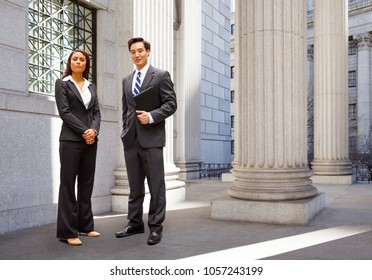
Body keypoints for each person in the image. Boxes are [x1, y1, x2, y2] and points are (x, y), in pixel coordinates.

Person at [115, 37, 177, 245]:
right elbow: (126, 110)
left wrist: (151, 116)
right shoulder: (126, 80)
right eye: (133, 51)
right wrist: (125, 130)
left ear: (148, 51)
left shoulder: (160, 76)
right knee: (134, 186)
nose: (137, 55)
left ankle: (156, 227)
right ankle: (134, 223)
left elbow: (171, 104)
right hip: (131, 140)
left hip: (152, 139)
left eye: (140, 50)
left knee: (156, 186)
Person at [55, 49, 101, 246]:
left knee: (86, 184)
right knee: (67, 185)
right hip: (70, 141)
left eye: (82, 60)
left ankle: (85, 226)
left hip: (90, 142)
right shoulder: (62, 84)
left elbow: (97, 113)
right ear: (70, 62)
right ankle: (68, 231)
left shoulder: (92, 86)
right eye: (75, 59)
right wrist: (85, 131)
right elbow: (65, 112)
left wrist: (94, 131)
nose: (79, 62)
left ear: (86, 64)